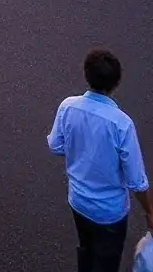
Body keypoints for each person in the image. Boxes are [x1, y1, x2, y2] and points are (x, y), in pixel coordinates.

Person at [48, 48, 153, 272]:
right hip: (110, 212)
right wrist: (149, 212)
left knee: (86, 249)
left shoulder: (68, 106)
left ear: (87, 75)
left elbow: (56, 145)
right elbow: (137, 181)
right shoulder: (121, 124)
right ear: (116, 82)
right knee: (106, 261)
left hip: (78, 201)